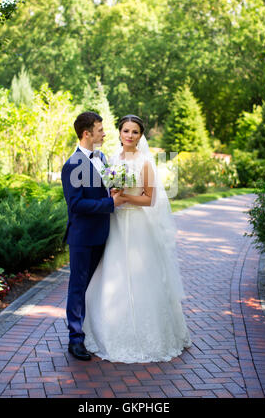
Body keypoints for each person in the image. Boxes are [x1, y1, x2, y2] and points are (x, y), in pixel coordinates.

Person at [83, 114, 192, 363]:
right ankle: (105, 331)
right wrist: (113, 193)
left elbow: (149, 199)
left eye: (135, 132)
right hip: (116, 223)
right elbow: (108, 190)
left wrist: (125, 197)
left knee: (142, 277)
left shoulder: (145, 163)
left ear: (140, 136)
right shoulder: (111, 159)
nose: (130, 136)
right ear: (119, 133)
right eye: (126, 131)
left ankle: (150, 335)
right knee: (112, 273)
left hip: (137, 223)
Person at [61, 111, 126, 361]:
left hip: (103, 234)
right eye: (100, 129)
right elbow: (76, 204)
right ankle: (75, 339)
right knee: (78, 288)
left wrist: (117, 189)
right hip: (82, 237)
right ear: (87, 133)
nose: (104, 133)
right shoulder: (72, 165)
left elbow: (106, 187)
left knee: (95, 287)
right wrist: (110, 204)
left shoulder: (101, 157)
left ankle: (93, 331)